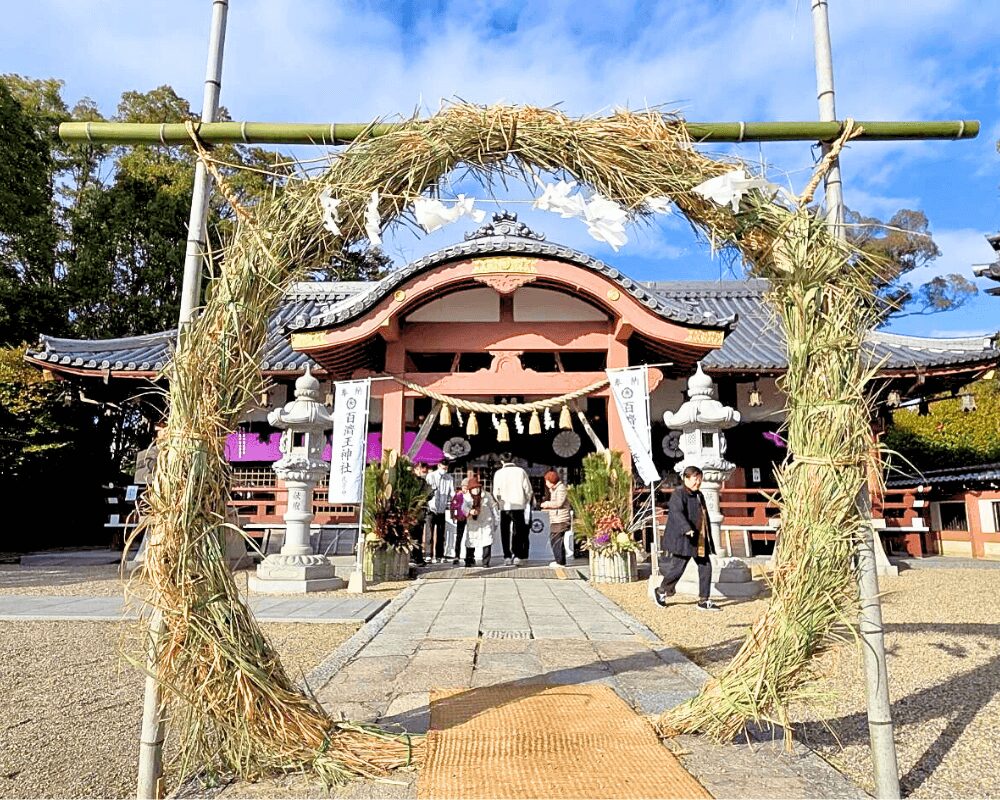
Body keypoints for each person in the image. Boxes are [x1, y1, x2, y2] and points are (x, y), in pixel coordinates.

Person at [652, 465, 721, 612]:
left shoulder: (699, 494)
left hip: (699, 538)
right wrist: (686, 528)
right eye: (695, 479)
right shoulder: (679, 494)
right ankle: (661, 591)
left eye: (700, 479)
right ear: (686, 478)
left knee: (706, 566)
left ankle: (704, 600)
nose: (698, 482)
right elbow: (676, 512)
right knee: (678, 568)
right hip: (684, 538)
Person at [492, 453, 533, 566]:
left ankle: (507, 556)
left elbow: (495, 492)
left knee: (505, 531)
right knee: (518, 531)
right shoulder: (521, 471)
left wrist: (500, 502)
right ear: (513, 460)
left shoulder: (498, 473)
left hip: (505, 506)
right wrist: (526, 501)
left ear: (501, 461)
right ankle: (517, 555)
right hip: (519, 505)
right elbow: (528, 490)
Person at [462, 474, 497, 567]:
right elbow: (463, 507)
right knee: (471, 541)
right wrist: (470, 511)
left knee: (487, 541)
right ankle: (469, 560)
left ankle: (485, 561)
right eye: (474, 488)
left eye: (477, 488)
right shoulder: (466, 497)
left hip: (486, 522)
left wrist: (496, 519)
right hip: (473, 522)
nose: (476, 490)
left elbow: (493, 507)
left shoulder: (487, 495)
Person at [425, 460, 455, 563]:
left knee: (441, 534)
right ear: (439, 466)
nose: (444, 470)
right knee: (429, 532)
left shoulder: (449, 478)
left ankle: (439, 555)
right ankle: (428, 554)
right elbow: (427, 491)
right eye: (443, 468)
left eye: (446, 468)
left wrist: (455, 499)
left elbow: (452, 493)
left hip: (442, 508)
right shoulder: (431, 476)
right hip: (431, 508)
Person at [540, 469, 570, 568]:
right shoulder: (554, 489)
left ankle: (560, 562)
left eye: (547, 481)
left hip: (561, 518)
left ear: (551, 481)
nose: (546, 484)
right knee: (554, 539)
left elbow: (559, 503)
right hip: (556, 518)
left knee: (557, 540)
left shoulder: (561, 488)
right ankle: (559, 560)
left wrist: (547, 504)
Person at [409, 462, 431, 566]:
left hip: (420, 512)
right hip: (411, 511)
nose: (423, 473)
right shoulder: (411, 482)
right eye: (422, 471)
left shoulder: (423, 481)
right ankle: (414, 557)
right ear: (416, 469)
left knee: (418, 535)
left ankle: (418, 557)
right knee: (412, 536)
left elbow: (427, 495)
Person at [449, 476, 470, 566]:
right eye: (464, 487)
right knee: (459, 537)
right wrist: (453, 516)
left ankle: (470, 556)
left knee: (470, 537)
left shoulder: (471, 496)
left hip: (469, 519)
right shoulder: (458, 495)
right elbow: (452, 506)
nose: (465, 490)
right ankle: (456, 556)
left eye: (467, 488)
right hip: (461, 518)